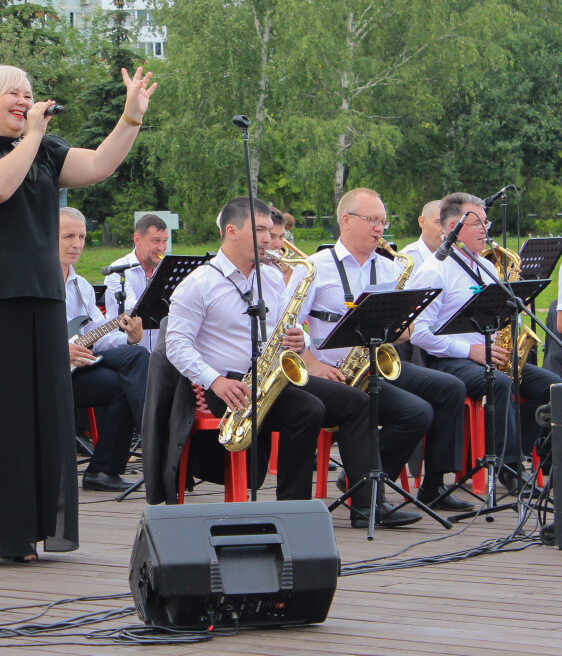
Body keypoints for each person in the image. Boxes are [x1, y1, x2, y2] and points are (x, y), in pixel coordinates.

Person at [0, 64, 156, 569]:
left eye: (29, 93)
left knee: (31, 419)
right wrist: (33, 134)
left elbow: (99, 164)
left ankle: (20, 534)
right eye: (13, 93)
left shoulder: (45, 151)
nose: (24, 99)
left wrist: (131, 117)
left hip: (39, 298)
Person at [164, 196, 420, 528]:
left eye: (270, 231)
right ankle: (292, 511)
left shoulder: (270, 278)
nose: (269, 240)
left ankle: (367, 505)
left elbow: (287, 328)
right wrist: (215, 380)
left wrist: (301, 341)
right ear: (231, 231)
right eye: (260, 231)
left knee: (356, 402)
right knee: (307, 409)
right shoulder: (198, 284)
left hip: (270, 377)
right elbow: (176, 345)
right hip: (229, 387)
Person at [289, 188, 470, 510]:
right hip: (335, 373)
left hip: (375, 364)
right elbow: (287, 327)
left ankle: (431, 486)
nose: (379, 229)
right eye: (372, 220)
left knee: (450, 388)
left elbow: (409, 328)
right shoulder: (314, 267)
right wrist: (312, 364)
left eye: (383, 222)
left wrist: (399, 328)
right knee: (417, 413)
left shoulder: (391, 268)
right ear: (346, 221)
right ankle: (365, 481)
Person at [410, 192, 560, 490]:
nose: (485, 230)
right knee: (500, 383)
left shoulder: (487, 267)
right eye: (477, 223)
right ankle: (509, 467)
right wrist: (471, 350)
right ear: (453, 226)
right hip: (446, 360)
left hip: (488, 354)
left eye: (486, 223)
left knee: (553, 386)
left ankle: (525, 450)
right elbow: (420, 334)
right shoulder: (434, 271)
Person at [59, 207, 149, 492]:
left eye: (82, 237)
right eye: (68, 236)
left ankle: (103, 471)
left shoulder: (81, 286)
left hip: (77, 369)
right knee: (127, 380)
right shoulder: (31, 281)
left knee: (136, 356)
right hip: (43, 374)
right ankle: (155, 440)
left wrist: (130, 337)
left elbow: (99, 336)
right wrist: (57, 350)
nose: (77, 244)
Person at [103, 214, 168, 354]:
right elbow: (133, 309)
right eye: (156, 241)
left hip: (161, 352)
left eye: (165, 241)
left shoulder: (166, 269)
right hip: (127, 353)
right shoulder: (118, 270)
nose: (162, 248)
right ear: (137, 239)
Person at [400, 200, 443, 270]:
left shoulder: (455, 256)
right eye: (439, 222)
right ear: (422, 222)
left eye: (448, 224)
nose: (445, 230)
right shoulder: (404, 259)